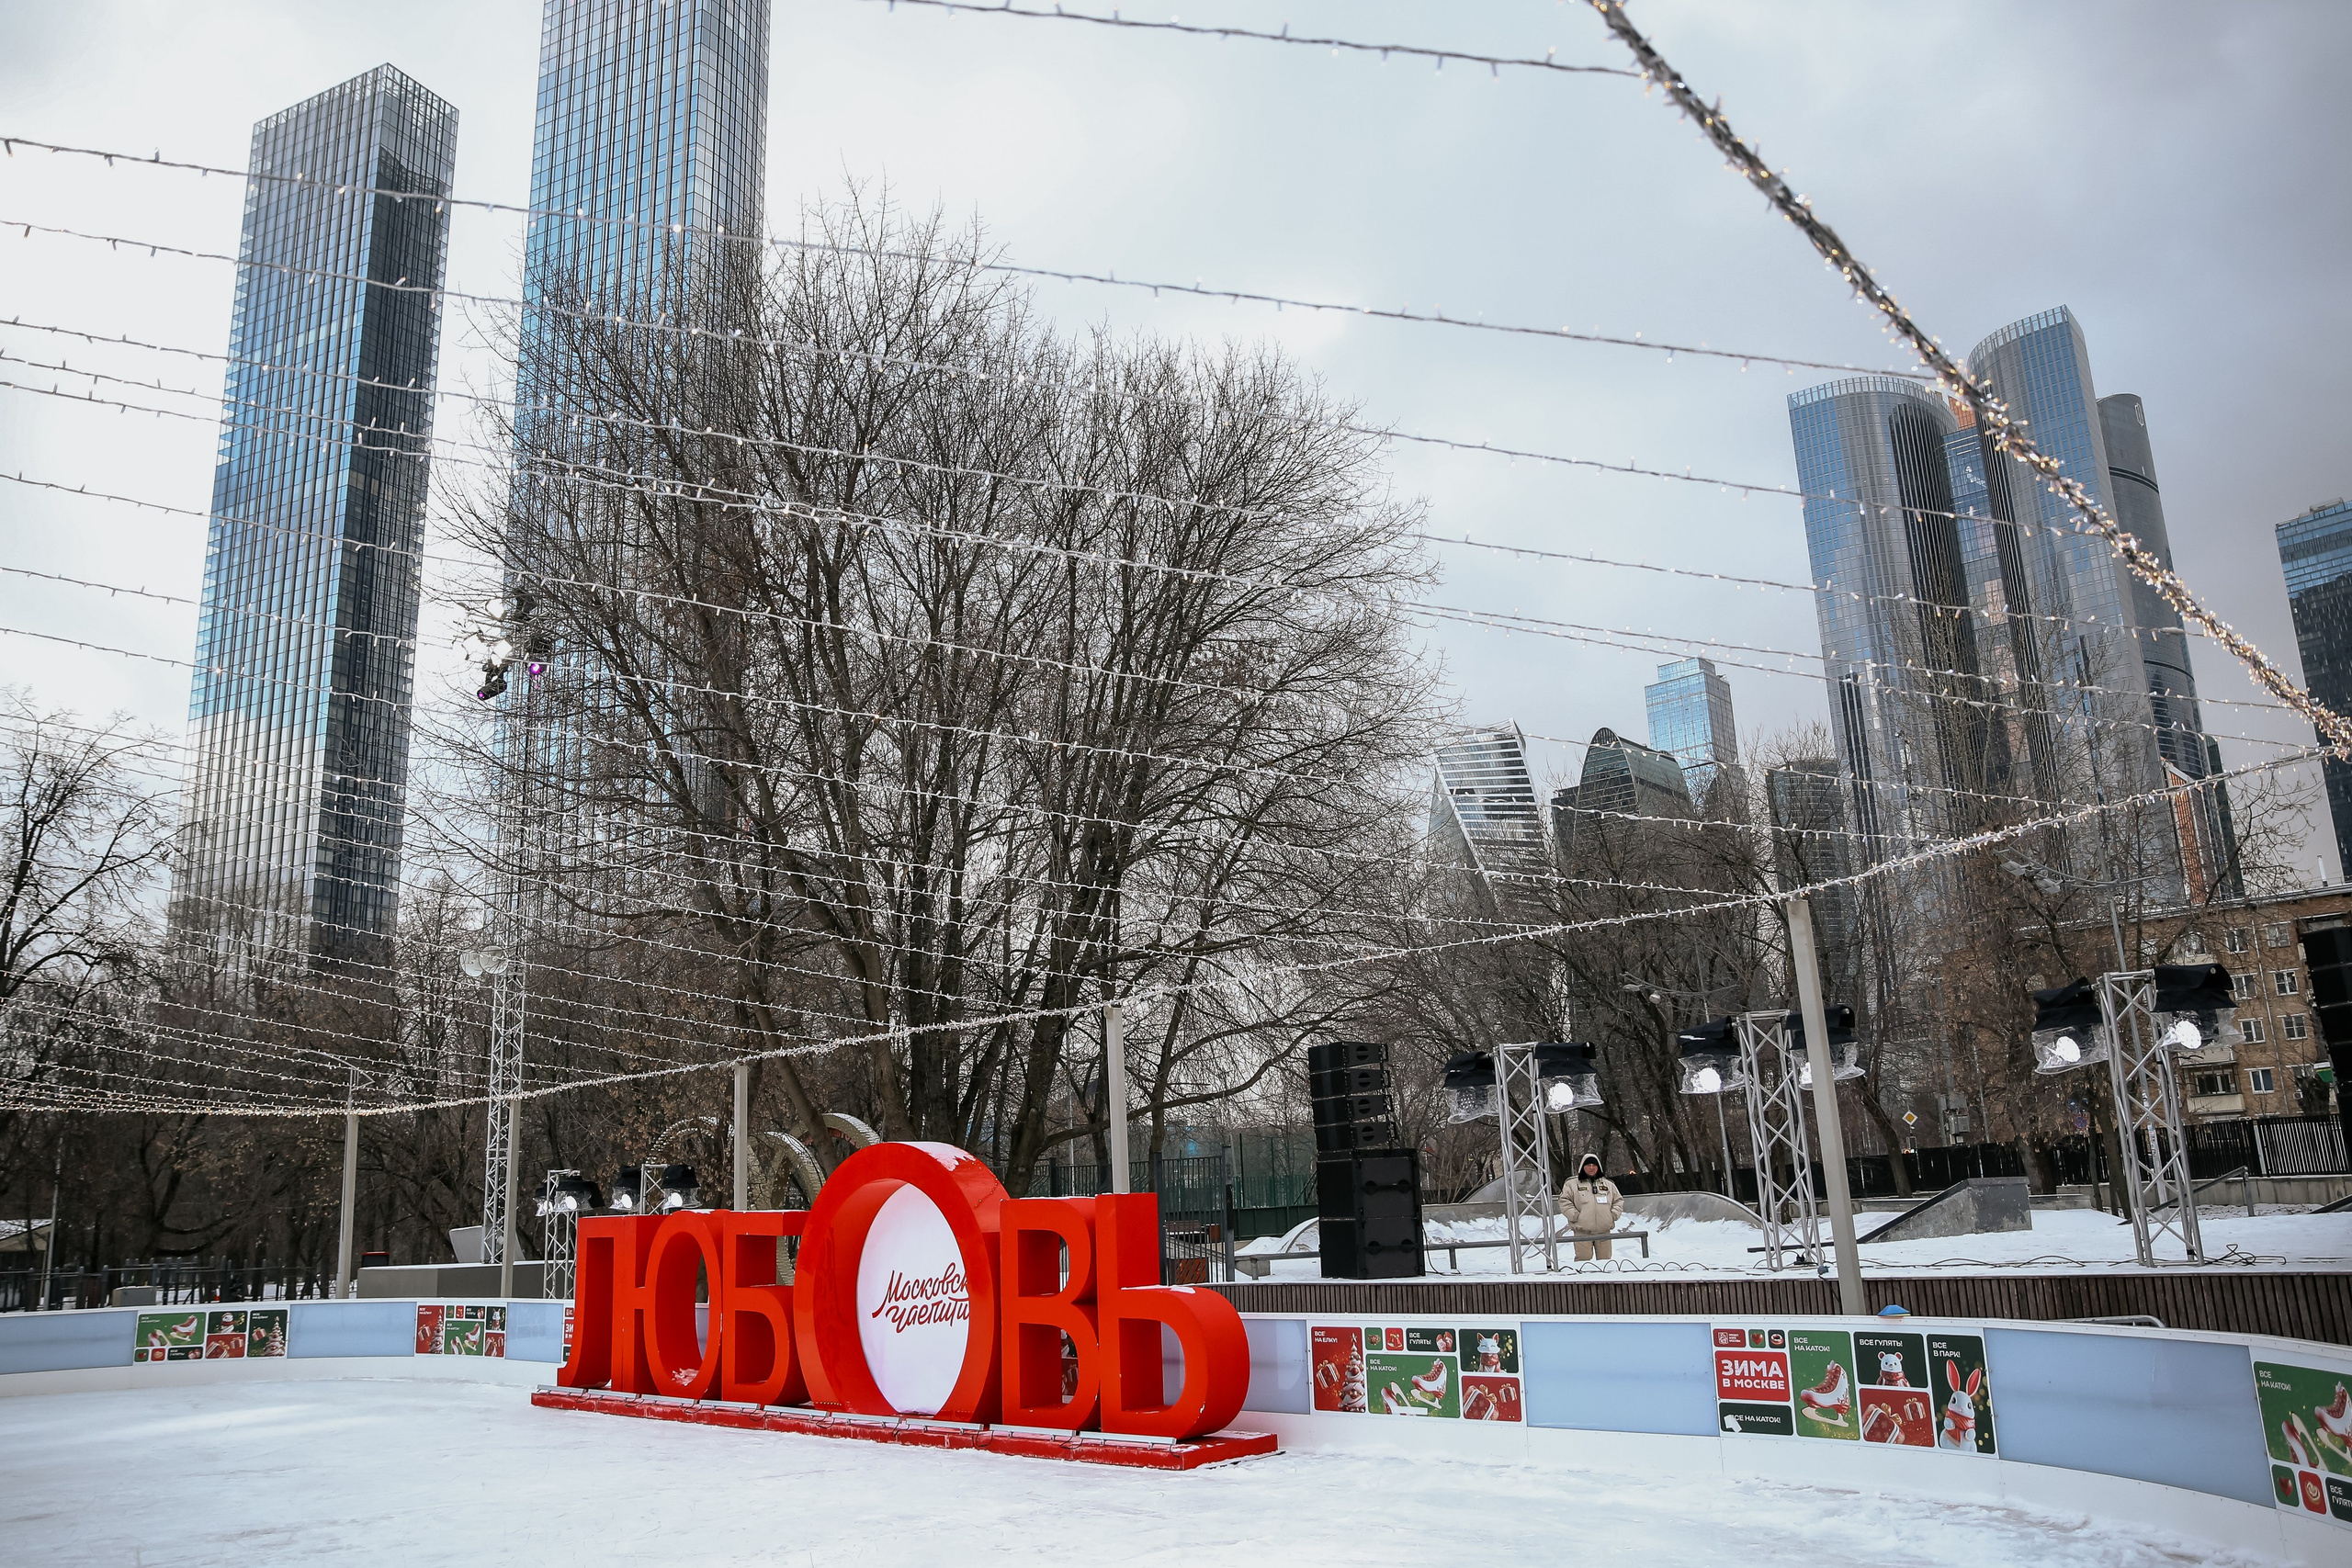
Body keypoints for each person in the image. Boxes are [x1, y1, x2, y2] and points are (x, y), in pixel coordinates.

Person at [1560, 1153, 1623, 1260]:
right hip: (1582, 1232)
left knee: (1605, 1263)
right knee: (1583, 1262)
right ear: (1582, 1166)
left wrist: (1612, 1215)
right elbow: (1564, 1201)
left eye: (1594, 1165)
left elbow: (1618, 1200)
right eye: (1588, 1165)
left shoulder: (1609, 1185)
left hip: (1604, 1232)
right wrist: (1575, 1216)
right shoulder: (1572, 1184)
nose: (1591, 1168)